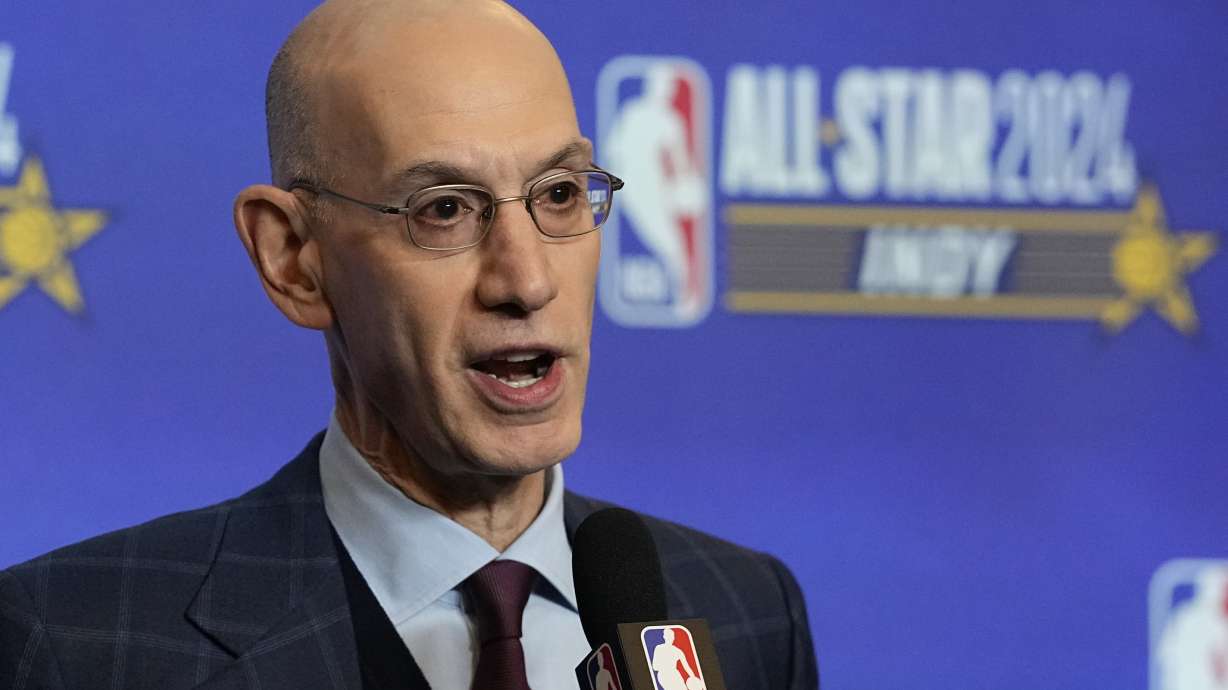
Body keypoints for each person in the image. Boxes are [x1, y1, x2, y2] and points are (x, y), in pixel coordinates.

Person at [0, 2, 818, 689]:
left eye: (561, 194)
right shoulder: (73, 645)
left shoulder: (744, 612)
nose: (526, 280)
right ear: (293, 259)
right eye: (445, 209)